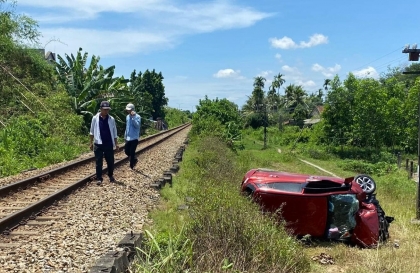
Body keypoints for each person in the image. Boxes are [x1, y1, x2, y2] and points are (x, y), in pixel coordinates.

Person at [89, 101, 119, 185]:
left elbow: (114, 132)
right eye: (105, 109)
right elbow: (91, 132)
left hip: (108, 143)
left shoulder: (111, 119)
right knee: (99, 162)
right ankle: (99, 178)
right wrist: (91, 143)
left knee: (110, 161)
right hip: (98, 143)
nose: (106, 111)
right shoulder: (95, 118)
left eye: (107, 109)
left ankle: (110, 175)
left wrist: (116, 143)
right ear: (101, 109)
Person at [124, 103, 141, 169]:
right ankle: (134, 159)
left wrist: (133, 118)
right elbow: (127, 127)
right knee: (126, 151)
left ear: (133, 109)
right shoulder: (127, 117)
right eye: (128, 110)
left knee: (132, 151)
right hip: (128, 138)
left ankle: (131, 166)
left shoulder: (138, 117)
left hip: (134, 137)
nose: (128, 111)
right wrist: (125, 136)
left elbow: (137, 126)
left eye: (129, 110)